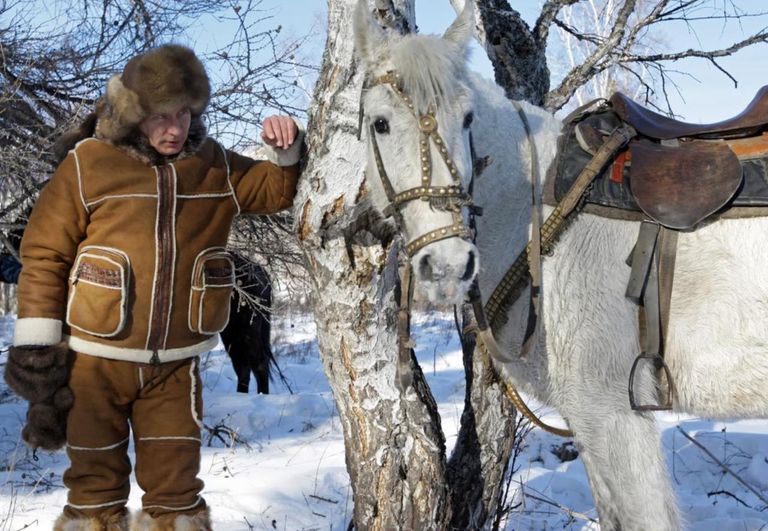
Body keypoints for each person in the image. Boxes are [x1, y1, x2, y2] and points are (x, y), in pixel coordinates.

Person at [2, 44, 304, 530]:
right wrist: (38, 351)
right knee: (94, 495)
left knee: (177, 498)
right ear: (134, 114)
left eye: (184, 114)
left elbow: (274, 190)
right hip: (93, 363)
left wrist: (284, 147)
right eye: (162, 116)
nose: (175, 128)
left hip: (173, 369)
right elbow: (44, 257)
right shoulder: (89, 164)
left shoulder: (214, 165)